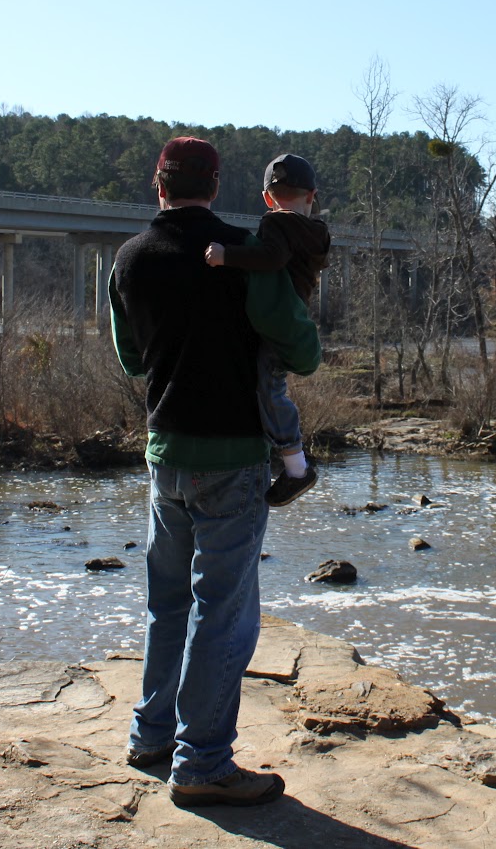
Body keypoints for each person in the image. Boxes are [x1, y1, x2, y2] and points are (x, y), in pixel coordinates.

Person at [109, 136, 321, 808]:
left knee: (168, 603)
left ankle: (152, 736)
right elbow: (302, 350)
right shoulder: (244, 252)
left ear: (159, 185)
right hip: (231, 458)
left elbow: (132, 360)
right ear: (216, 185)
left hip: (165, 454)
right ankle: (201, 763)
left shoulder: (128, 259)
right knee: (222, 615)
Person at [203, 152, 331, 507]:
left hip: (277, 322)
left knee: (269, 388)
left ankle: (297, 467)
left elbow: (272, 258)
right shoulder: (319, 234)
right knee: (271, 383)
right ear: (311, 196)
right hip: (294, 318)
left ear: (266, 198)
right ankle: (292, 462)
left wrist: (227, 256)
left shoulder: (275, 223)